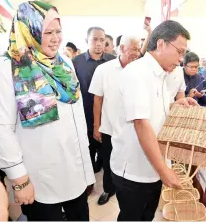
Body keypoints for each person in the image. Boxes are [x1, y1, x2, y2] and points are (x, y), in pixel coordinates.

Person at [0, 1, 95, 221]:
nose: (55, 38)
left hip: (75, 167)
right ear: (28, 30)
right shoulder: (6, 66)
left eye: (58, 31)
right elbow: (1, 129)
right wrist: (19, 179)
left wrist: (86, 165)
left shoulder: (65, 62)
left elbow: (76, 117)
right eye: (47, 32)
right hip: (40, 175)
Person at [110, 20, 198, 221]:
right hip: (134, 170)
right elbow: (141, 123)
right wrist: (164, 171)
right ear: (161, 44)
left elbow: (154, 110)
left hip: (153, 167)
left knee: (146, 216)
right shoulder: (137, 74)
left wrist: (176, 104)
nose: (181, 59)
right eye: (179, 52)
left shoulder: (160, 75)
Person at [89, 35, 141, 206]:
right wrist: (97, 126)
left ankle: (128, 189)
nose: (137, 52)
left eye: (138, 48)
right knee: (109, 159)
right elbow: (97, 100)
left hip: (135, 127)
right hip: (110, 127)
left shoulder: (140, 69)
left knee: (132, 160)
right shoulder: (104, 70)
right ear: (121, 49)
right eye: (133, 48)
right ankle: (108, 189)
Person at [73, 27, 116, 178]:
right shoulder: (76, 62)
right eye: (94, 39)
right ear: (87, 41)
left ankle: (107, 181)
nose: (99, 43)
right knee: (87, 149)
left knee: (107, 149)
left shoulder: (112, 61)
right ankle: (89, 179)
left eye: (102, 40)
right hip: (85, 114)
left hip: (108, 114)